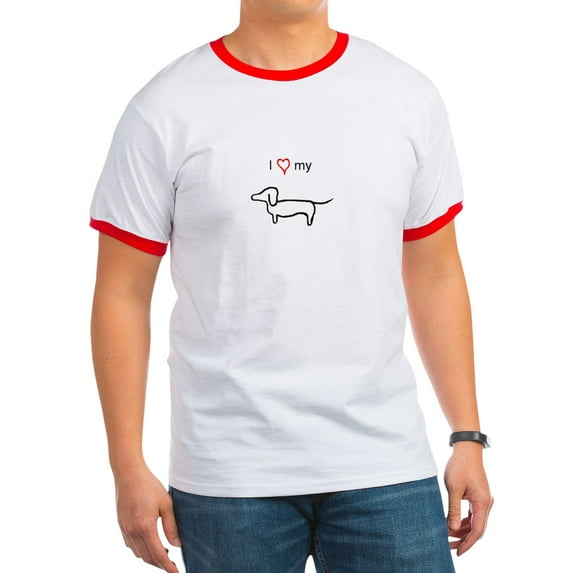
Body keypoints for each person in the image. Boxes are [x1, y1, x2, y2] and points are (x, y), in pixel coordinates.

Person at [89, 1, 493, 572]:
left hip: (386, 465)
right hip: (228, 477)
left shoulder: (406, 96)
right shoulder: (164, 108)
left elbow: (436, 273)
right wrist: (126, 465)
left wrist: (467, 435)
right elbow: (121, 294)